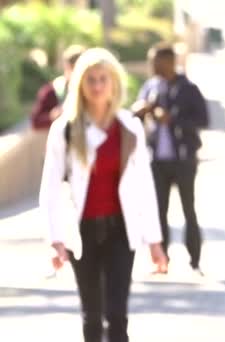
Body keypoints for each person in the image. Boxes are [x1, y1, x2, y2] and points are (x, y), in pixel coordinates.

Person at [39, 47, 168, 342]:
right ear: (80, 84)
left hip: (120, 232)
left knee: (117, 315)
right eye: (91, 80)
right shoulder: (66, 130)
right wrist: (55, 239)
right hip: (81, 233)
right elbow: (50, 188)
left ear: (114, 84)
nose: (97, 86)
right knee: (92, 317)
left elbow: (145, 188)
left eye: (103, 79)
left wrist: (155, 242)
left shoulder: (129, 127)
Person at [132, 43, 209, 274]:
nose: (152, 66)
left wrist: (172, 120)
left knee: (189, 209)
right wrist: (141, 110)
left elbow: (203, 120)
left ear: (169, 61)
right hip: (157, 160)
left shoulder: (188, 89)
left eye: (156, 61)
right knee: (159, 211)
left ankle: (195, 261)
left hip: (184, 159)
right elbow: (133, 116)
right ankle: (162, 260)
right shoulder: (150, 87)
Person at [30, 45, 86, 130]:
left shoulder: (95, 90)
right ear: (67, 67)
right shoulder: (52, 91)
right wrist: (53, 116)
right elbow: (35, 121)